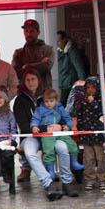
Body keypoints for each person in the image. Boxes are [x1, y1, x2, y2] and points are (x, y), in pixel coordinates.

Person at [15, 69, 75, 200]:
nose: (31, 82)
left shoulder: (48, 96)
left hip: (51, 135)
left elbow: (61, 114)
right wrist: (45, 128)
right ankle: (48, 183)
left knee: (63, 148)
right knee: (30, 153)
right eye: (28, 80)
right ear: (24, 82)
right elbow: (24, 126)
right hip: (31, 136)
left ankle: (67, 182)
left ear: (39, 80)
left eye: (33, 79)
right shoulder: (19, 100)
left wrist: (61, 126)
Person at [31, 89, 81, 181]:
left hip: (59, 132)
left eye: (51, 101)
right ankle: (51, 171)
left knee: (72, 144)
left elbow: (68, 118)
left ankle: (74, 162)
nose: (49, 103)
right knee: (48, 150)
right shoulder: (40, 109)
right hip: (47, 134)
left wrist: (68, 126)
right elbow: (35, 119)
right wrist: (34, 126)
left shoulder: (59, 108)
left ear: (56, 101)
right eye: (46, 101)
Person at [71, 77, 105, 191]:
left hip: (98, 135)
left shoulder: (101, 100)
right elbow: (79, 115)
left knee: (101, 158)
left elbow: (102, 113)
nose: (90, 90)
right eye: (88, 88)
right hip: (86, 135)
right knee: (88, 158)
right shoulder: (82, 101)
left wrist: (94, 103)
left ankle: (102, 178)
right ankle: (90, 179)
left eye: (93, 87)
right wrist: (80, 130)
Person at [12, 18, 56, 92]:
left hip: (44, 92)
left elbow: (47, 66)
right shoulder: (19, 52)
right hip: (25, 93)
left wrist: (26, 66)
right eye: (26, 31)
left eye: (32, 31)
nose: (28, 34)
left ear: (38, 32)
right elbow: (15, 73)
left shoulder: (47, 49)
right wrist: (40, 63)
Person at [56, 31, 88, 103]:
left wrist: (83, 83)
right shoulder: (60, 51)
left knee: (63, 104)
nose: (57, 43)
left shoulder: (72, 51)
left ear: (64, 39)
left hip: (69, 84)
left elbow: (79, 67)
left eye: (58, 41)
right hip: (63, 83)